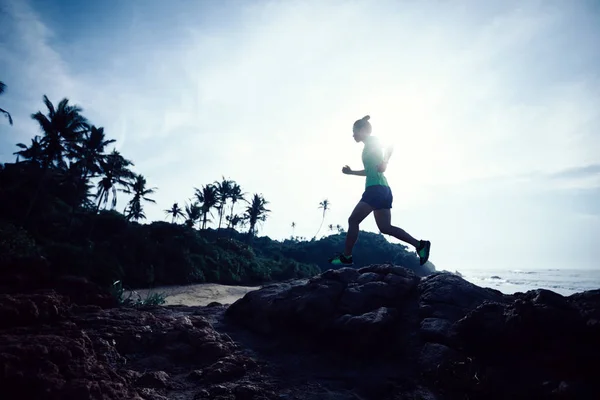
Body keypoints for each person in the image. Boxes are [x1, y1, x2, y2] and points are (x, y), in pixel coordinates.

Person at [328, 115, 431, 266]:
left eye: (354, 131)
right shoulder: (367, 147)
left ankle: (347, 256)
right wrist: (352, 173)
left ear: (363, 130)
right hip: (383, 189)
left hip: (375, 189)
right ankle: (420, 245)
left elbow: (390, 145)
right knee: (385, 227)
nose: (353, 135)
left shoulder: (372, 140)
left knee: (353, 220)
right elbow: (370, 171)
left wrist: (385, 162)